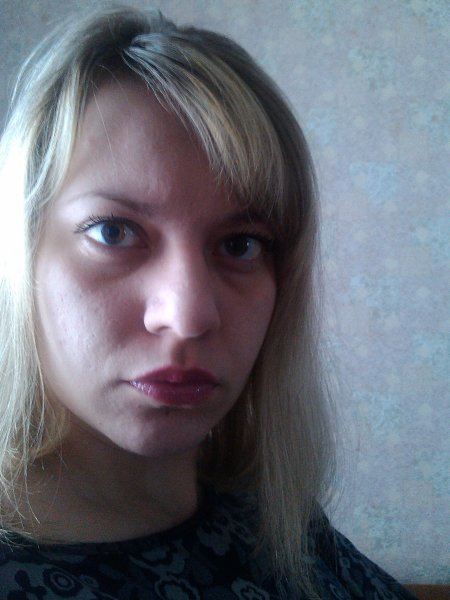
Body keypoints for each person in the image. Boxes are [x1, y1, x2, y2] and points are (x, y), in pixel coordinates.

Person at [0, 6, 416, 599]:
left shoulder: (270, 514)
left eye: (240, 244)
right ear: (22, 254)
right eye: (113, 232)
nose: (189, 316)